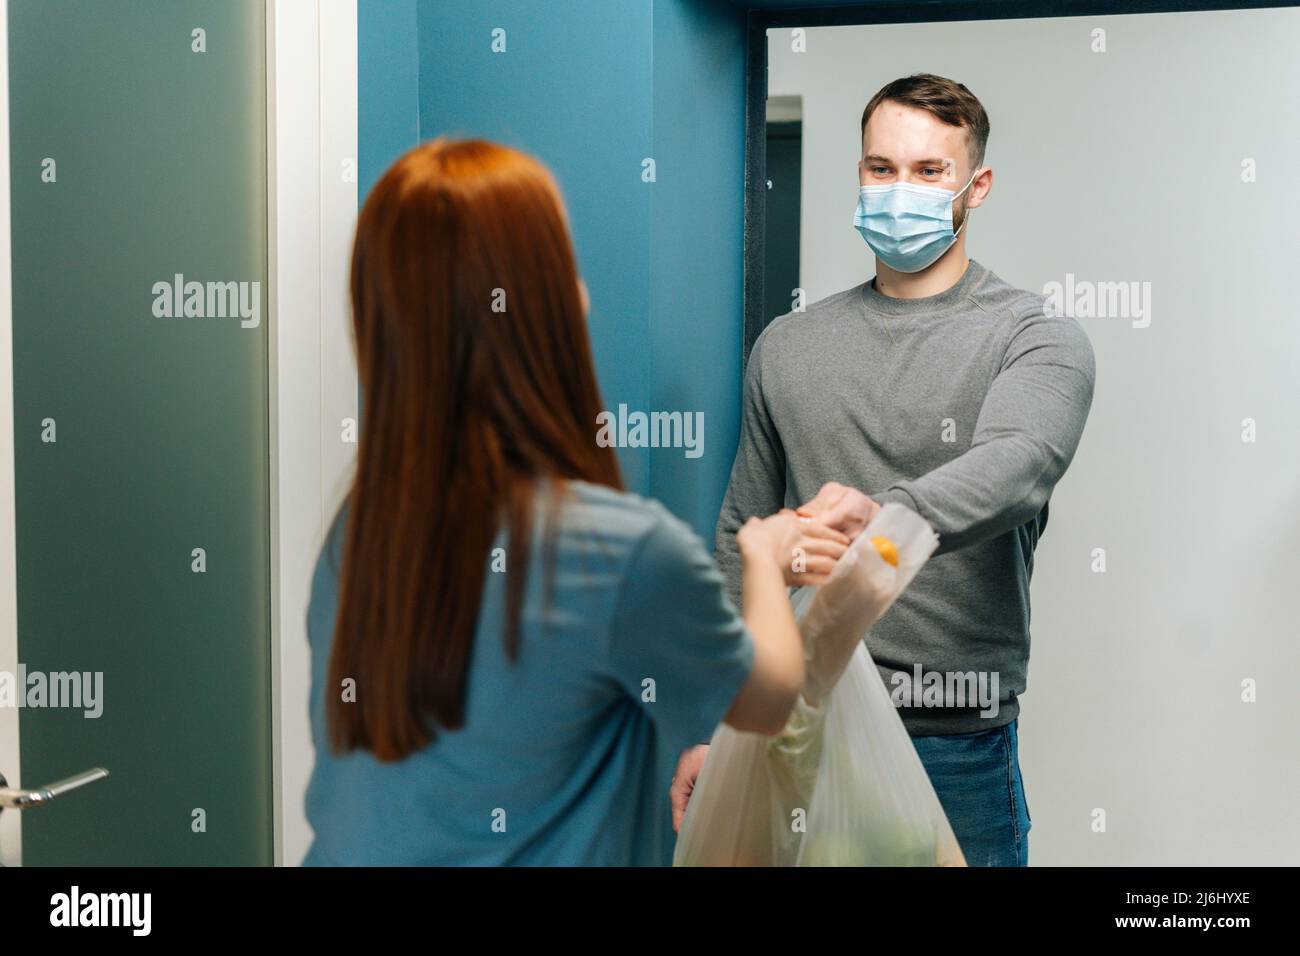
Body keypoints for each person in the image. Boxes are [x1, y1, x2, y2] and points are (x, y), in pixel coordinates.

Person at [301, 137, 848, 866]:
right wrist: (764, 554)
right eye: (563, 264)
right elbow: (768, 696)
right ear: (546, 306)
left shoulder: (362, 530)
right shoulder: (620, 551)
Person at [673, 74, 1096, 866]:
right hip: (788, 733)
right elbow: (741, 537)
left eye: (930, 171)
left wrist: (882, 515)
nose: (901, 189)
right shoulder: (789, 345)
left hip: (953, 746)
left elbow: (1020, 464)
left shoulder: (1035, 334)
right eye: (881, 168)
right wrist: (717, 726)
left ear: (978, 185)